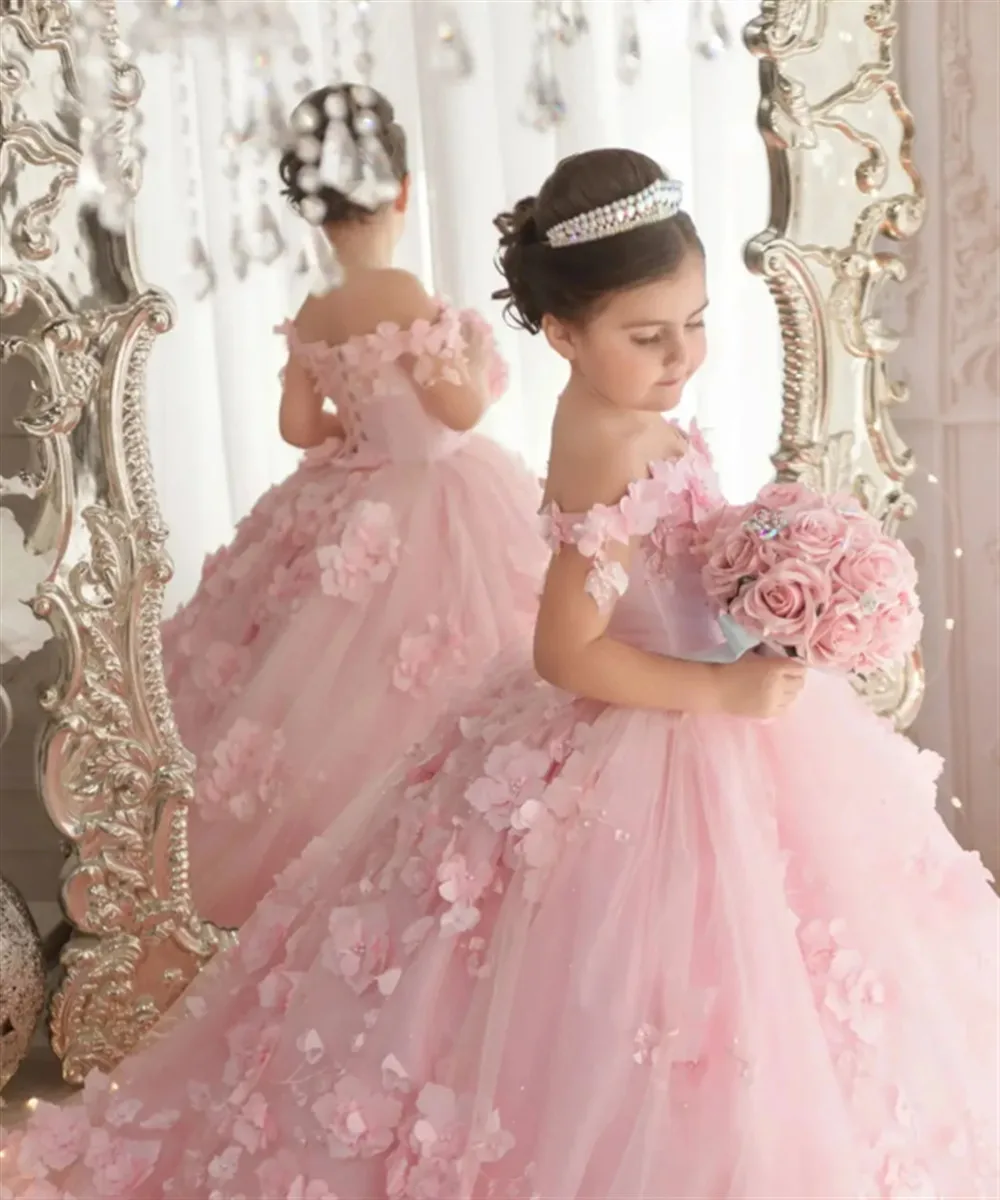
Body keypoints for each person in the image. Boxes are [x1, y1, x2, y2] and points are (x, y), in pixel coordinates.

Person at [2, 149, 996, 1199]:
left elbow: (666, 565)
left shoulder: (634, 414)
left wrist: (766, 576)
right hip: (658, 717)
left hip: (701, 688)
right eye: (647, 335)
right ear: (562, 334)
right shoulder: (606, 441)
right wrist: (724, 689)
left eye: (696, 322)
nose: (682, 356)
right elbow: (565, 650)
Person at [160, 83, 548, 927]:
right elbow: (459, 410)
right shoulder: (407, 294)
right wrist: (475, 351)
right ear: (405, 193)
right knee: (444, 673)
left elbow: (299, 425)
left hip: (344, 497)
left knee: (318, 683)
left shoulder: (316, 307)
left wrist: (354, 424)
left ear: (309, 209)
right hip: (438, 498)